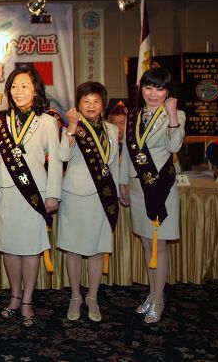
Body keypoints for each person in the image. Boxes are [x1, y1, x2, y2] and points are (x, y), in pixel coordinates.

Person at [0, 66, 62, 328]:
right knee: (10, 247)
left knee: (31, 248)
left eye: (24, 86)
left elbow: (56, 161)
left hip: (35, 194)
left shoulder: (47, 121)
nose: (18, 91)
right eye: (13, 86)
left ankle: (28, 300)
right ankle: (15, 296)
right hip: (7, 193)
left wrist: (53, 193)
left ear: (36, 90)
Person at [119, 67, 185, 324]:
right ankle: (152, 293)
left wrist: (172, 115)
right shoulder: (133, 116)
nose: (153, 93)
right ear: (141, 89)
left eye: (160, 88)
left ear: (168, 92)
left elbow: (174, 145)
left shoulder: (176, 114)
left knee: (159, 245)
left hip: (161, 188)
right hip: (137, 188)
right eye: (149, 87)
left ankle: (158, 299)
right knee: (147, 243)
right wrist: (123, 183)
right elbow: (127, 152)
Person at [58, 82, 120, 322]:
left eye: (96, 101)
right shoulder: (73, 127)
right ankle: (75, 296)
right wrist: (72, 128)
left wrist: (116, 192)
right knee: (73, 249)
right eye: (86, 101)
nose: (91, 106)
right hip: (75, 195)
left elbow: (113, 164)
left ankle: (92, 297)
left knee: (97, 248)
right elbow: (63, 155)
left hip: (102, 196)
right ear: (78, 104)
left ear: (103, 105)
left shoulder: (111, 129)